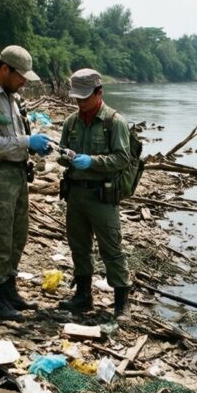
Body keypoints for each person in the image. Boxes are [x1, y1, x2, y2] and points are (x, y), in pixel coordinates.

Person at [0, 45, 52, 322]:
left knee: (17, 235)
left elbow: (14, 135)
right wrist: (27, 142)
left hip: (16, 173)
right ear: (5, 69)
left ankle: (9, 291)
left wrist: (33, 146)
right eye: (20, 76)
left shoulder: (12, 98)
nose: (24, 82)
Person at [57, 68, 132, 318]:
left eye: (85, 97)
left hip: (102, 196)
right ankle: (83, 296)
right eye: (77, 97)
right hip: (76, 194)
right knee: (79, 246)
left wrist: (92, 161)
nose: (80, 102)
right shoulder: (71, 122)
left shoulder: (114, 122)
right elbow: (62, 151)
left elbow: (122, 158)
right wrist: (63, 156)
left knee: (111, 248)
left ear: (99, 93)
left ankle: (121, 302)